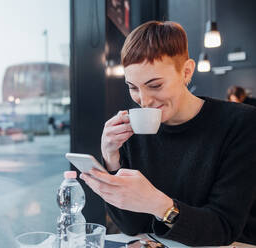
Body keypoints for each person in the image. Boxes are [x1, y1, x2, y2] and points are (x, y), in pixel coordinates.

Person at [80, 21, 256, 246]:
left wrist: (158, 204)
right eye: (133, 87)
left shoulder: (241, 123)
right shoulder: (134, 131)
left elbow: (224, 228)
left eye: (155, 85)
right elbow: (131, 226)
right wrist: (112, 160)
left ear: (186, 71)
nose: (144, 101)